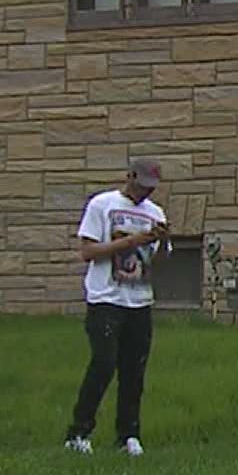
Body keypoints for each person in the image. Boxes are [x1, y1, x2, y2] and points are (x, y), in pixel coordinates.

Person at [64, 159, 170, 457]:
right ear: (129, 177)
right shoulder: (103, 204)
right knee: (103, 363)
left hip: (139, 300)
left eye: (150, 189)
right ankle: (79, 432)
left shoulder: (155, 213)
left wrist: (160, 242)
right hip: (106, 299)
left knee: (134, 371)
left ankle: (128, 435)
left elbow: (159, 262)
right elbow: (88, 251)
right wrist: (131, 241)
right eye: (140, 186)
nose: (144, 194)